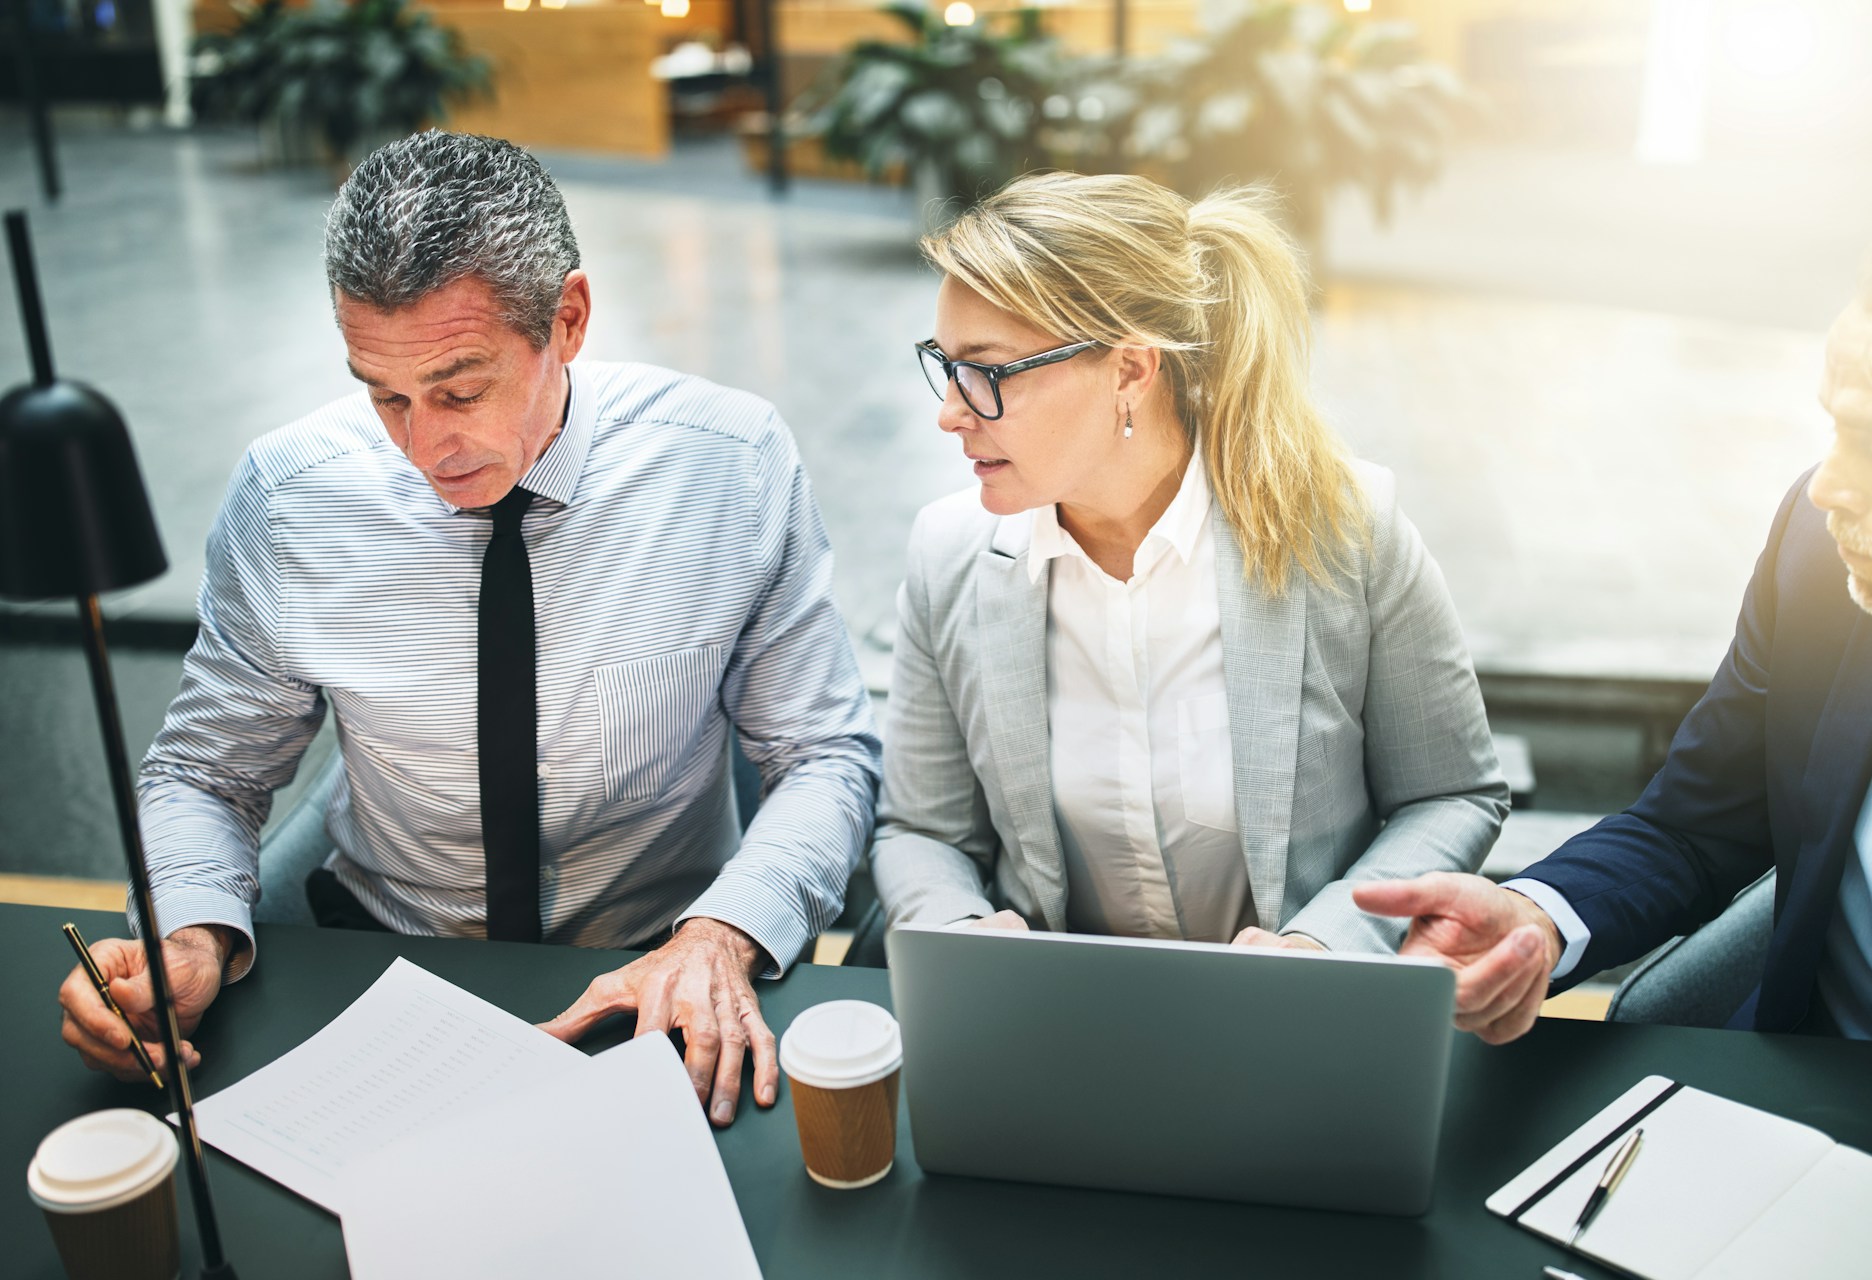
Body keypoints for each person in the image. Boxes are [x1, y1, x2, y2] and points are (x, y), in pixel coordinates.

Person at [56, 131, 881, 1125]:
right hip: (386, 963)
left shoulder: (730, 466)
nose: (423, 444)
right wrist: (188, 931)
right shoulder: (290, 499)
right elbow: (207, 772)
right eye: (384, 393)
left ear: (567, 320)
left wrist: (720, 934)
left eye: (459, 388)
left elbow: (826, 751)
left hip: (659, 972)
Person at [869, 171, 1508, 951]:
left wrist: (1327, 945)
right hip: (1051, 1021)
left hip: (1290, 1026)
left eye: (989, 372)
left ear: (1132, 371)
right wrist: (960, 930)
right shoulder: (951, 557)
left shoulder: (1346, 531)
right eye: (946, 363)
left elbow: (1450, 794)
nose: (950, 411)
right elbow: (923, 830)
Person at [1357, 211, 1872, 1045]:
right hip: (1810, 1074)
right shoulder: (1818, 559)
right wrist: (1530, 920)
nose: (1827, 486)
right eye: (1834, 425)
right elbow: (1693, 826)